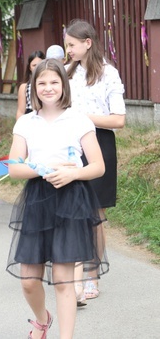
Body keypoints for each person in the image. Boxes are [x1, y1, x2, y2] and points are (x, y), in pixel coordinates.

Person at [6, 58, 107, 339]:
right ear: (33, 88)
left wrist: (72, 175)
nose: (48, 88)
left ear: (64, 85)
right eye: (42, 83)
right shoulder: (26, 122)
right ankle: (42, 319)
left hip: (70, 200)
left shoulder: (79, 120)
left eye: (54, 82)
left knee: (63, 281)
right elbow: (14, 168)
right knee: (28, 280)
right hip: (37, 200)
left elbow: (98, 166)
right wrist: (46, 169)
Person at [64, 19, 125, 301]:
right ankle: (71, 270)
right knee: (71, 208)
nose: (69, 50)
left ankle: (92, 274)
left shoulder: (108, 74)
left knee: (96, 213)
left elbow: (119, 119)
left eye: (72, 45)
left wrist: (83, 118)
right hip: (69, 145)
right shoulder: (66, 73)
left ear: (87, 43)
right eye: (67, 45)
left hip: (100, 143)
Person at [16, 50, 46, 120]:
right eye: (34, 65)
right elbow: (20, 111)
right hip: (30, 120)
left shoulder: (50, 85)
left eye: (40, 64)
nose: (37, 68)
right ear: (29, 68)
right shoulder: (24, 87)